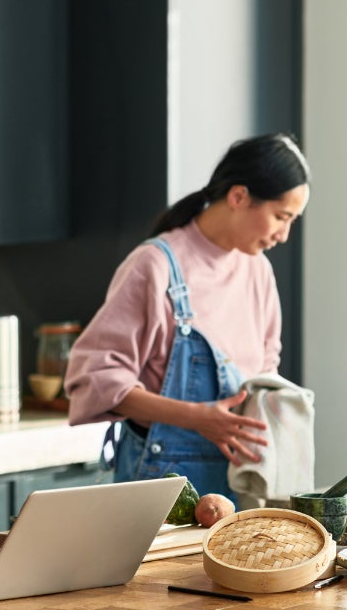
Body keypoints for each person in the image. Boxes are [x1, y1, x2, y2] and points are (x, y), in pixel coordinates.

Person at [63, 134, 311, 500]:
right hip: (158, 488)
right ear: (239, 197)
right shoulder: (156, 266)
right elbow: (94, 381)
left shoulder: (258, 272)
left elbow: (265, 372)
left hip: (234, 491)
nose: (284, 234)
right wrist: (198, 417)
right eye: (280, 217)